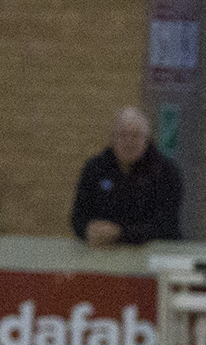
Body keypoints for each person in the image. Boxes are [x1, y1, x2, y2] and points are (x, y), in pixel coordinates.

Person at [71, 105, 182, 245]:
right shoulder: (95, 168)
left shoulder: (166, 172)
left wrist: (120, 233)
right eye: (123, 135)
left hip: (153, 253)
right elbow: (78, 217)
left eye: (135, 136)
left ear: (146, 140)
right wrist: (88, 230)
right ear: (112, 139)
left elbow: (166, 226)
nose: (129, 142)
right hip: (103, 253)